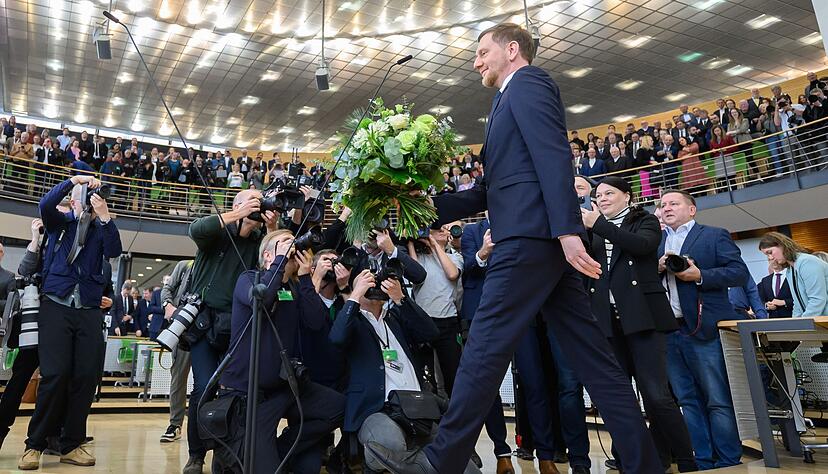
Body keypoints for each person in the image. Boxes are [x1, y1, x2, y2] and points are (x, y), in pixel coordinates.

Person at [367, 23, 662, 474]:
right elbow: (491, 189)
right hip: (542, 243)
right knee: (597, 364)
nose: (476, 62)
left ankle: (440, 463)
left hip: (529, 241)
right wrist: (420, 207)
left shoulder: (529, 83)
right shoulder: (504, 100)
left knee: (482, 351)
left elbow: (553, 156)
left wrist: (567, 231)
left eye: (482, 52)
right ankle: (646, 465)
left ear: (511, 49)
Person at [581, 178, 697, 473]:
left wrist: (599, 225)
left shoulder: (644, 220)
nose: (602, 198)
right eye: (598, 195)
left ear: (627, 196)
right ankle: (632, 460)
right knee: (620, 398)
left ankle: (685, 460)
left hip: (644, 318)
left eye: (609, 193)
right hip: (608, 321)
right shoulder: (591, 228)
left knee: (657, 396)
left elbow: (642, 246)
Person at [217, 230, 344, 473]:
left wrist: (306, 278)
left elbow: (315, 322)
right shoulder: (249, 279)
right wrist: (280, 260)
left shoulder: (294, 288)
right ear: (267, 256)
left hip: (285, 388)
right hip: (250, 395)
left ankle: (280, 449)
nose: (293, 246)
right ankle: (254, 455)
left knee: (338, 407)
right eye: (285, 242)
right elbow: (262, 299)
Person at [19, 175, 122, 470]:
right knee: (55, 375)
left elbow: (114, 251)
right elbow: (45, 204)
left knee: (86, 378)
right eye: (82, 195)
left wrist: (104, 217)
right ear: (74, 200)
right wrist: (72, 181)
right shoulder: (60, 223)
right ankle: (34, 445)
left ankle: (72, 444)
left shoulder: (101, 229)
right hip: (56, 304)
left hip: (88, 308)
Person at [180, 189, 279, 474]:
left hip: (237, 326)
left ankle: (226, 453)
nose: (257, 205)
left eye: (260, 201)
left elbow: (275, 259)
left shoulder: (259, 242)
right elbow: (196, 229)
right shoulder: (218, 234)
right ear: (236, 205)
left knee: (235, 390)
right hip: (203, 324)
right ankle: (196, 454)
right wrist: (239, 214)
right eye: (252, 201)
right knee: (203, 388)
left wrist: (271, 227)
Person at [658, 189, 748, 469]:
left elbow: (739, 273)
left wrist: (701, 276)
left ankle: (728, 459)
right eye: (663, 204)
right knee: (687, 399)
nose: (667, 207)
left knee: (717, 398)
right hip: (669, 329)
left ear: (692, 209)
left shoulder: (714, 235)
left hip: (703, 328)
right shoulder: (655, 242)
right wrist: (657, 268)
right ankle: (703, 459)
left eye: (674, 203)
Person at [459, 216, 515, 474]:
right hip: (481, 315)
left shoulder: (520, 225)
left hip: (519, 310)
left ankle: (545, 453)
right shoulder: (473, 231)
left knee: (533, 382)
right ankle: (501, 451)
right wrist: (484, 251)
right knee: (484, 386)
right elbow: (467, 270)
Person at [159, 260, 194, 443]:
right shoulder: (185, 265)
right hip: (183, 330)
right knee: (178, 378)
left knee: (207, 382)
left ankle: (203, 425)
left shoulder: (218, 264)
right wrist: (168, 305)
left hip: (208, 331)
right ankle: (175, 424)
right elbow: (167, 289)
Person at [758, 232, 828, 317]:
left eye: (770, 252)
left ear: (782, 245)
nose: (770, 258)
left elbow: (817, 300)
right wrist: (796, 321)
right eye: (767, 255)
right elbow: (797, 304)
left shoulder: (807, 262)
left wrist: (804, 322)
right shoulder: (790, 270)